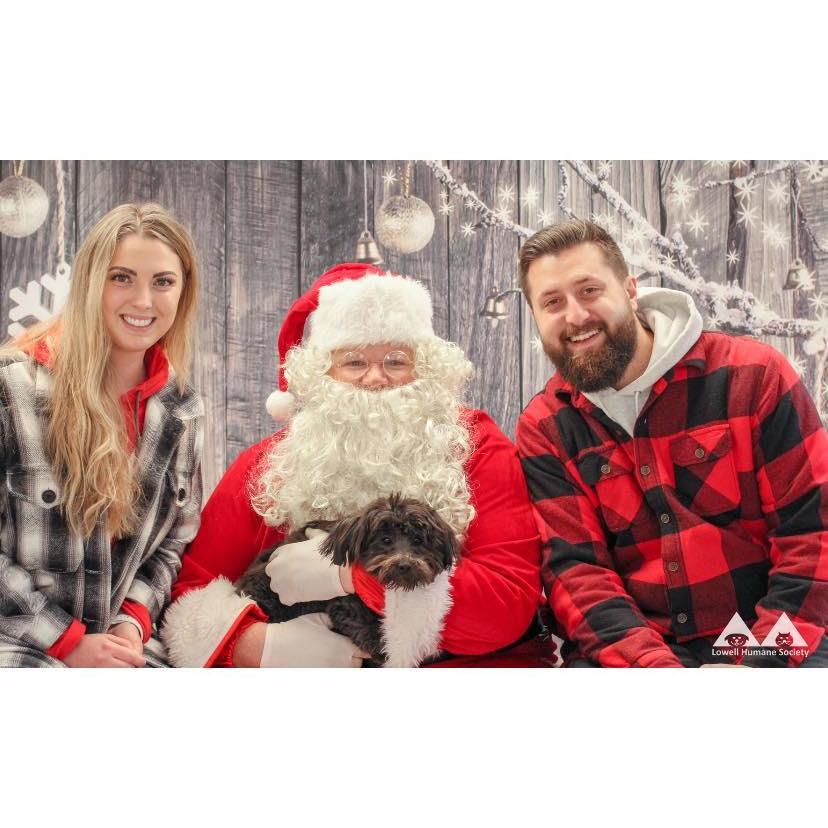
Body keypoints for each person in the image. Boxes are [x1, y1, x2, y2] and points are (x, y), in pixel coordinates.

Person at [161, 262, 542, 667]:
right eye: (355, 362)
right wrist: (256, 645)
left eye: (396, 361)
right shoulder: (268, 465)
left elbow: (506, 607)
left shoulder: (475, 446)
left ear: (426, 368)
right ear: (323, 373)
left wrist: (353, 578)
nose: (376, 378)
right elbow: (191, 593)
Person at [515, 218, 828, 667]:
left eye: (589, 290)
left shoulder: (754, 376)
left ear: (629, 289)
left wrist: (760, 667)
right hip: (634, 654)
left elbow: (812, 535)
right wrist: (659, 675)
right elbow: (577, 574)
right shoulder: (545, 426)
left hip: (769, 637)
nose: (576, 316)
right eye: (552, 302)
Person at [0, 203, 203, 667]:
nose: (143, 301)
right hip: (16, 636)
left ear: (183, 292)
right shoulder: (12, 390)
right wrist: (67, 642)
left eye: (163, 282)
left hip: (118, 645)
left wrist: (131, 621)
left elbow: (174, 542)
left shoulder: (182, 411)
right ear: (91, 282)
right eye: (121, 278)